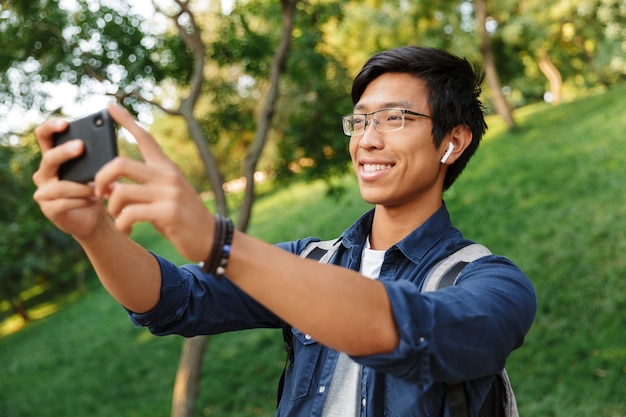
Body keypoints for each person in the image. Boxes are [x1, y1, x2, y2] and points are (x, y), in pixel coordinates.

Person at [33, 46, 536, 416]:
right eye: (359, 123)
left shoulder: (491, 284)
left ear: (452, 141)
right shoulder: (309, 261)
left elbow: (411, 329)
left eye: (394, 119)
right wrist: (95, 231)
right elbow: (172, 300)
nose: (368, 140)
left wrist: (220, 244)